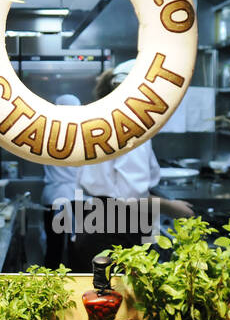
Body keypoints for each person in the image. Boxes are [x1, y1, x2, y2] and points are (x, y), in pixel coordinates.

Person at [61, 61, 194, 272]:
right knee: (120, 303)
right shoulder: (132, 128)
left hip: (92, 228)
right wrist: (171, 206)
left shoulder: (99, 121)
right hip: (117, 235)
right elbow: (132, 197)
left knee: (94, 298)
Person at [42, 94, 83, 267]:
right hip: (77, 198)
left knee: (54, 248)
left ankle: (49, 289)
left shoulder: (46, 133)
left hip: (53, 197)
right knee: (78, 249)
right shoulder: (85, 134)